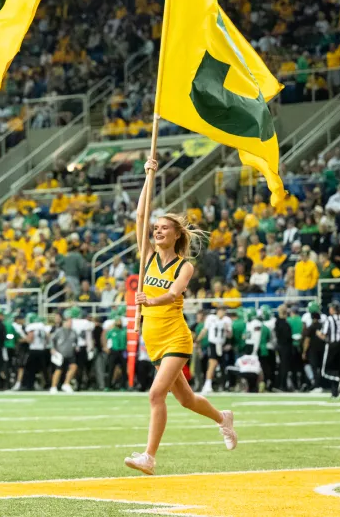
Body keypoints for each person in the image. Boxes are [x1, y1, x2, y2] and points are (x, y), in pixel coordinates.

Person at [124, 158, 236, 476]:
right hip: (154, 339)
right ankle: (223, 418)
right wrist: (149, 177)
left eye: (164, 228)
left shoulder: (184, 266)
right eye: (156, 228)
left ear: (176, 235)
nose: (157, 230)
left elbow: (174, 294)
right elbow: (140, 215)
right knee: (186, 399)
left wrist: (151, 300)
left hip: (176, 337)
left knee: (156, 394)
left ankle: (149, 457)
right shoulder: (147, 257)